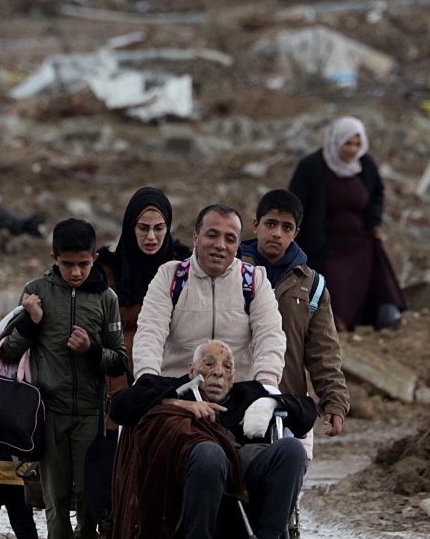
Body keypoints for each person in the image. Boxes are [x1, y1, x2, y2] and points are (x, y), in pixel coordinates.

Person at [103, 340, 315, 539]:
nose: (218, 372)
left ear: (233, 376)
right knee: (208, 451)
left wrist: (271, 404)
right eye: (209, 364)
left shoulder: (247, 394)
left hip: (243, 487)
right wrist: (180, 404)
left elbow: (306, 413)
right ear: (192, 370)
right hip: (185, 487)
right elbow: (120, 407)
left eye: (227, 367)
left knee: (292, 450)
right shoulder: (168, 387)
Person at [0, 218, 128, 539]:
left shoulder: (106, 299)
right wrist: (32, 324)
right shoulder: (35, 292)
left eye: (83, 264)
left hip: (90, 412)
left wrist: (91, 351)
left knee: (90, 497)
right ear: (53, 257)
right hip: (48, 412)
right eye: (67, 264)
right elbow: (7, 352)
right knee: (55, 497)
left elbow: (119, 361)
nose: (75, 272)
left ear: (94, 260)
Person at [133, 204, 286, 391]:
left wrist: (267, 381)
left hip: (237, 394)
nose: (220, 245)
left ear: (238, 246)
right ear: (196, 238)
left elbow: (270, 334)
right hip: (179, 393)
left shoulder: (254, 280)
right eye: (212, 235)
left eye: (230, 239)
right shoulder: (170, 277)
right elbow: (150, 331)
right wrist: (147, 378)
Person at [239, 189, 351, 442]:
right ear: (256, 225)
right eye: (270, 224)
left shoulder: (312, 286)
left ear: (296, 233)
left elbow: (323, 350)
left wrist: (334, 401)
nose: (277, 233)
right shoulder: (231, 271)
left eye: (286, 227)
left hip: (286, 403)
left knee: (285, 471)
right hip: (234, 399)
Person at [287, 116, 407, 331]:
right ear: (336, 141)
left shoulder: (364, 165)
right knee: (334, 289)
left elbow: (377, 193)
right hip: (325, 243)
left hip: (358, 239)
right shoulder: (311, 166)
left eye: (357, 144)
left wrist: (375, 221)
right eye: (347, 143)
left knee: (378, 268)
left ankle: (384, 318)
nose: (352, 150)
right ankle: (334, 326)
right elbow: (295, 203)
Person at [97, 186, 192, 395]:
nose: (151, 237)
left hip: (170, 378)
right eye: (143, 228)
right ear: (131, 228)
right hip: (118, 382)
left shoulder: (184, 270)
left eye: (159, 228)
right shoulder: (106, 273)